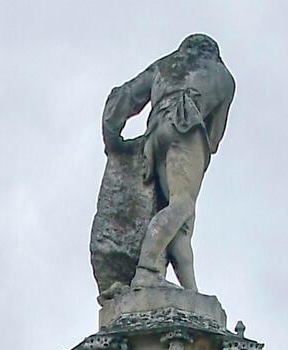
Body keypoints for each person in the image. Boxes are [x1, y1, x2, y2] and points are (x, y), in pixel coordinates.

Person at [101, 35, 235, 291]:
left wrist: (112, 137)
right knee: (183, 204)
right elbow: (214, 137)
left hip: (155, 136)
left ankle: (191, 291)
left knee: (181, 221)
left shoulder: (166, 65)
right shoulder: (224, 77)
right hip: (188, 129)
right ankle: (147, 270)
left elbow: (126, 95)